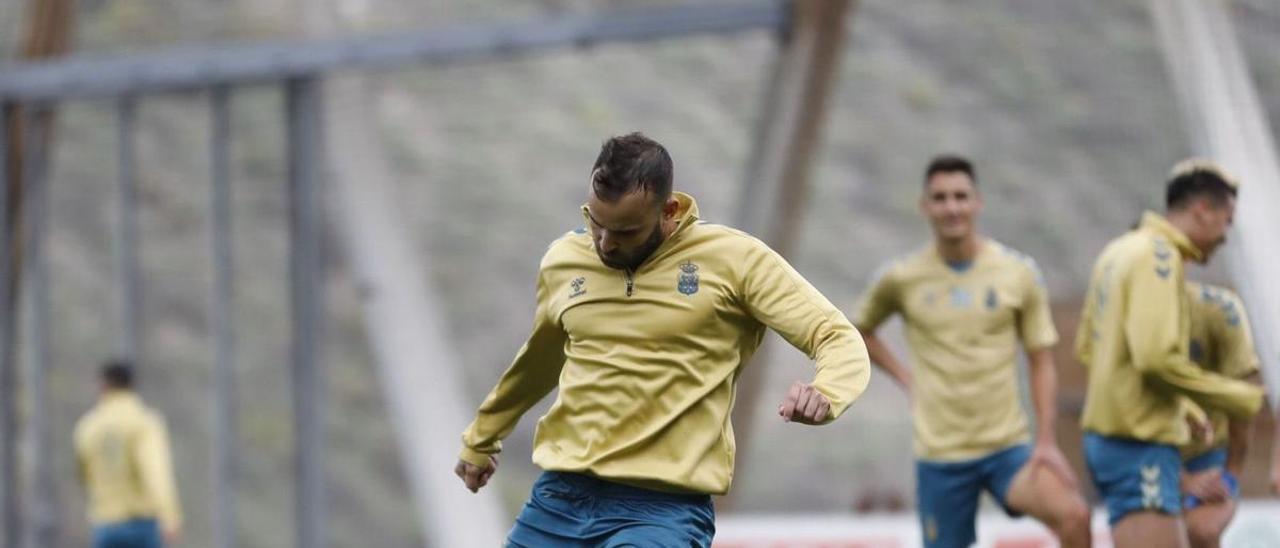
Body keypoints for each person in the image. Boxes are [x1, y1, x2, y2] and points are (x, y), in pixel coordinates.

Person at [454, 132, 871, 546]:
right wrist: (482, 437)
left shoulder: (736, 260)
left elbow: (834, 335)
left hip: (662, 512)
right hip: (560, 498)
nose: (605, 244)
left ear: (669, 209)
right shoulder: (564, 261)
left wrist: (827, 391)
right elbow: (540, 361)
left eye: (626, 232)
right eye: (596, 223)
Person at [853, 155, 1091, 548]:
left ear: (978, 202)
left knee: (1075, 517)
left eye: (961, 196)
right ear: (925, 206)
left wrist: (1046, 440)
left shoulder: (1018, 272)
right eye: (941, 198)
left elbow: (1041, 359)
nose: (952, 207)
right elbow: (861, 331)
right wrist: (906, 379)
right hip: (941, 454)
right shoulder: (902, 277)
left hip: (1008, 449)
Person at [1076, 159, 1264, 547]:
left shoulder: (1118, 251)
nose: (1227, 234)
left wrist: (1183, 408)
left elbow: (1089, 349)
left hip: (1117, 441)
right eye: (1227, 220)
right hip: (1137, 445)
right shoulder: (1159, 257)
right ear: (1202, 211)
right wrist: (1236, 397)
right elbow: (1155, 358)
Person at [1179, 282, 1262, 548]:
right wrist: (1178, 480)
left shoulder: (1217, 310)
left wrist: (1231, 473)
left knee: (1202, 532)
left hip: (1206, 454)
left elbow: (1246, 389)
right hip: (1142, 455)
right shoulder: (1122, 310)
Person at [74, 360, 183, 548]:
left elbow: (84, 475)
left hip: (105, 524)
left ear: (103, 385)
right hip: (141, 526)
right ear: (133, 385)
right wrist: (170, 516)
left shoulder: (88, 426)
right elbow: (155, 472)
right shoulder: (144, 422)